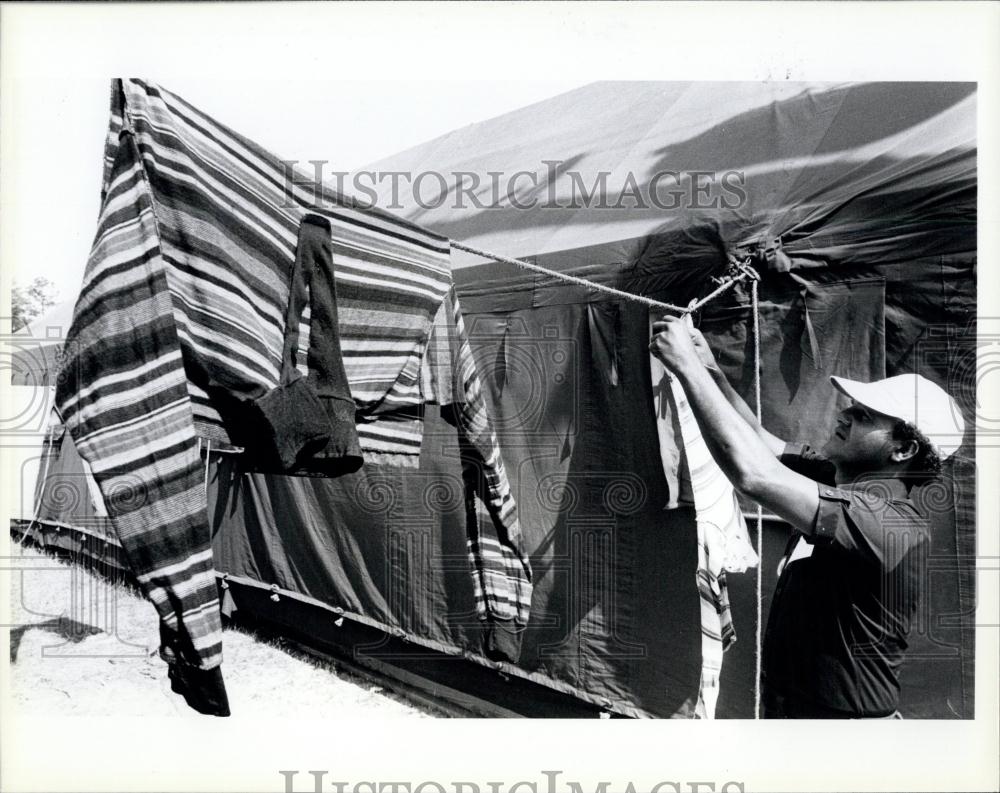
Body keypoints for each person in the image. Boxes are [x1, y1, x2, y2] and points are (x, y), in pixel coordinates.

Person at [649, 312, 965, 718]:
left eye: (864, 416)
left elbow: (754, 474)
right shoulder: (839, 479)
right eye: (851, 408)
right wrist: (711, 371)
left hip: (842, 735)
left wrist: (686, 369)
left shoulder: (888, 523)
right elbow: (761, 443)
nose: (844, 415)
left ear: (903, 451)